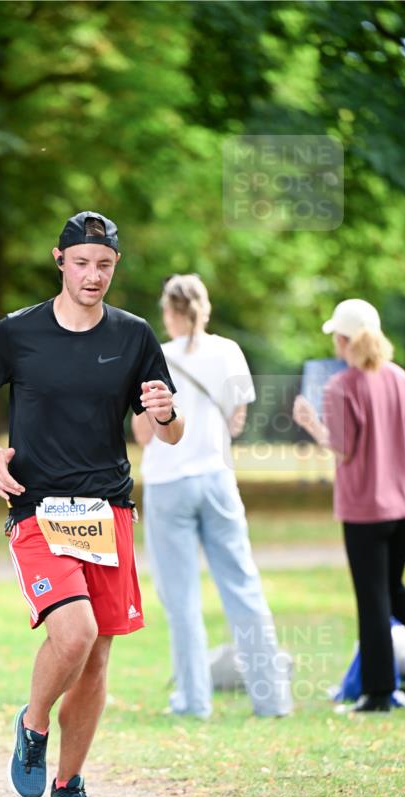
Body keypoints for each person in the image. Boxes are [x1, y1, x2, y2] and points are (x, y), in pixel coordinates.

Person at [0, 212, 182, 797]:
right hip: (37, 508)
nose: (94, 275)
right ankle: (32, 725)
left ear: (116, 266)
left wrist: (165, 414)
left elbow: (164, 431)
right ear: (60, 259)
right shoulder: (18, 332)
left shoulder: (135, 336)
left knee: (97, 659)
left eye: (105, 265)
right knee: (75, 634)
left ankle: (69, 786)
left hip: (108, 510)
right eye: (82, 263)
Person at [132, 274, 293, 720]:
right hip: (218, 479)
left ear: (169, 312)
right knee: (243, 586)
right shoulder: (228, 352)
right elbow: (237, 420)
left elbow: (145, 433)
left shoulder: (156, 357)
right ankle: (272, 698)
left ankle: (193, 700)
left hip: (169, 483)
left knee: (181, 597)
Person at [293, 298, 405, 712]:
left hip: (365, 510)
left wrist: (311, 423)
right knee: (393, 591)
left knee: (374, 598)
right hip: (404, 505)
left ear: (344, 340)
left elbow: (343, 450)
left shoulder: (340, 387)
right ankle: (380, 688)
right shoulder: (400, 378)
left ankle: (379, 693)